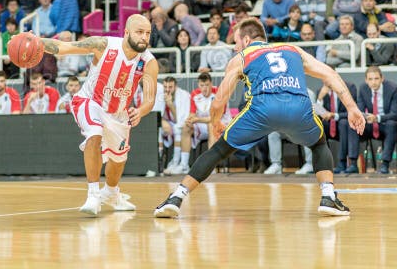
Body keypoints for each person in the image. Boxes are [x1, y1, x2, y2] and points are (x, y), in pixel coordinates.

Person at [154, 19, 365, 218]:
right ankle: (328, 197)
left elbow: (219, 100)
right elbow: (330, 74)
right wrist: (352, 108)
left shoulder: (242, 57)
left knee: (219, 150)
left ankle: (176, 197)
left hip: (263, 108)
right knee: (319, 144)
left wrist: (216, 122)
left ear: (246, 40)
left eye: (236, 42)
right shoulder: (293, 50)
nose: (235, 47)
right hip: (298, 106)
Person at [36, 15, 159, 215]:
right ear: (126, 32)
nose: (144, 37)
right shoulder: (104, 45)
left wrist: (141, 110)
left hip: (118, 113)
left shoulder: (149, 62)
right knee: (94, 133)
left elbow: (150, 99)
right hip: (90, 101)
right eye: (139, 32)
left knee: (118, 160)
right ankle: (93, 195)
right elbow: (64, 47)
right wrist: (37, 42)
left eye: (147, 33)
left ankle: (111, 192)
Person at [356, 66, 397, 174]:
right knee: (351, 125)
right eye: (370, 79)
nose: (374, 82)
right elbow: (360, 110)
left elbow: (395, 114)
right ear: (366, 80)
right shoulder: (363, 89)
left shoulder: (393, 88)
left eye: (376, 78)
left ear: (382, 79)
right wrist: (366, 117)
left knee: (390, 124)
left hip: (394, 124)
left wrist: (377, 118)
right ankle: (351, 163)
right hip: (373, 124)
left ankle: (385, 164)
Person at [163, 73, 219, 176]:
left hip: (220, 125)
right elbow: (192, 114)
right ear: (198, 85)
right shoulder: (194, 94)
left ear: (211, 84)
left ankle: (212, 166)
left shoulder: (219, 93)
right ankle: (184, 165)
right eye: (202, 85)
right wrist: (190, 120)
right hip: (202, 124)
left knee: (211, 125)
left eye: (207, 85)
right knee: (186, 127)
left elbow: (216, 119)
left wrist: (197, 119)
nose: (204, 88)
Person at [317, 74, 360, 174]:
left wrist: (334, 115)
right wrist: (319, 99)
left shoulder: (349, 88)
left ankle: (347, 163)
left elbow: (353, 110)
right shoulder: (321, 91)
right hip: (330, 124)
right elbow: (318, 112)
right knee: (316, 126)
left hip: (344, 120)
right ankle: (320, 164)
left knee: (345, 123)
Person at [160, 76, 191, 172]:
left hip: (184, 123)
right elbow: (158, 115)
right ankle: (159, 163)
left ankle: (176, 162)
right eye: (165, 87)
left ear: (175, 87)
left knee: (178, 129)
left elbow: (180, 120)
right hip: (170, 124)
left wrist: (170, 105)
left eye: (170, 87)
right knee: (158, 129)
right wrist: (163, 121)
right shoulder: (160, 95)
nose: (167, 89)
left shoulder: (183, 95)